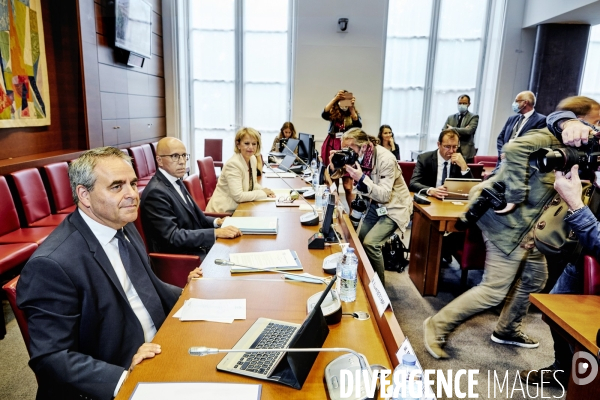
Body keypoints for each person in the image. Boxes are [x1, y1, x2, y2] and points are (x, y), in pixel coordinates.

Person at [17, 147, 201, 400]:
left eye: (133, 183)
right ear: (85, 195)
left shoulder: (121, 224)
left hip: (161, 347)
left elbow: (147, 286)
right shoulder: (52, 265)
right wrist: (125, 379)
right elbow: (51, 357)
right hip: (118, 375)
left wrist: (192, 295)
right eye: (117, 186)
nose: (132, 195)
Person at [519, 96, 600, 388]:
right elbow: (555, 116)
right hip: (583, 250)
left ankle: (586, 381)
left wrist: (576, 204)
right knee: (555, 310)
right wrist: (571, 124)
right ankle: (563, 369)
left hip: (594, 240)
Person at [329, 128, 412, 285]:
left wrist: (361, 178)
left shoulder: (386, 159)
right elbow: (335, 174)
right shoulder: (358, 155)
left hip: (394, 207)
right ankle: (365, 278)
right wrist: (334, 164)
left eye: (349, 149)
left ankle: (379, 289)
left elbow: (385, 195)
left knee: (371, 244)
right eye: (345, 148)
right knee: (359, 241)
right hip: (376, 204)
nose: (348, 152)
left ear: (363, 146)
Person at [140, 138, 242, 258]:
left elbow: (195, 217)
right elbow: (173, 237)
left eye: (184, 155)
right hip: (183, 259)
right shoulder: (156, 192)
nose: (182, 161)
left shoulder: (175, 180)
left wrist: (217, 222)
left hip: (195, 247)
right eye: (175, 156)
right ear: (159, 160)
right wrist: (215, 233)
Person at [206, 127, 276, 214]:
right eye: (246, 143)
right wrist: (262, 193)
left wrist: (266, 191)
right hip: (222, 212)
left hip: (239, 209)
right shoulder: (233, 164)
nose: (251, 147)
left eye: (254, 144)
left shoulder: (252, 158)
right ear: (238, 144)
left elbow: (252, 185)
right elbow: (238, 197)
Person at [322, 90, 362, 207]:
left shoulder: (352, 113)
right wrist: (335, 99)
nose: (344, 102)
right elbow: (324, 114)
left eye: (346, 99)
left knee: (348, 186)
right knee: (333, 181)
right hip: (332, 145)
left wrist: (351, 107)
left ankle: (352, 213)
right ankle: (334, 210)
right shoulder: (334, 112)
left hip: (347, 148)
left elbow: (358, 125)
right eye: (342, 99)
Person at [409, 130, 473, 199]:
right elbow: (413, 183)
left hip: (451, 201)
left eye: (454, 147)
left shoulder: (460, 160)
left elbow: (472, 189)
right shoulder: (425, 159)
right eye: (447, 147)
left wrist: (464, 167)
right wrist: (431, 190)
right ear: (439, 145)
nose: (451, 151)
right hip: (431, 200)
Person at [496, 91, 546, 166]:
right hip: (502, 163)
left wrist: (511, 155)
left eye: (516, 101)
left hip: (520, 165)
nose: (514, 104)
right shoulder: (512, 118)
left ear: (525, 103)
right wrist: (502, 153)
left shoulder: (541, 120)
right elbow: (500, 138)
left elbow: (534, 145)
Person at [441, 94, 479, 163]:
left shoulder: (474, 117)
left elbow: (469, 131)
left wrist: (452, 129)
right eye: (460, 103)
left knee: (465, 171)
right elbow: (443, 131)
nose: (462, 105)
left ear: (469, 104)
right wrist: (462, 130)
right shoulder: (451, 117)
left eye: (464, 103)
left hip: (467, 152)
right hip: (452, 150)